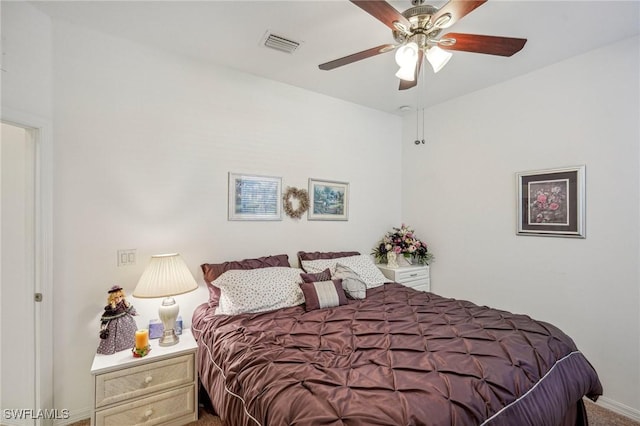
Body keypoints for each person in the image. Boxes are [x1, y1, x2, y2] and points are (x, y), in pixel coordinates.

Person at [97, 285, 138, 355]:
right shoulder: (110, 308)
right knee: (114, 335)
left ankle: (132, 343)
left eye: (120, 296)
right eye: (116, 298)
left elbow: (129, 310)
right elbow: (107, 315)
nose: (118, 299)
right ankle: (117, 347)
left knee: (130, 332)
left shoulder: (124, 304)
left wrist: (134, 312)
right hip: (115, 323)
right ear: (112, 299)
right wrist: (103, 324)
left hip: (127, 320)